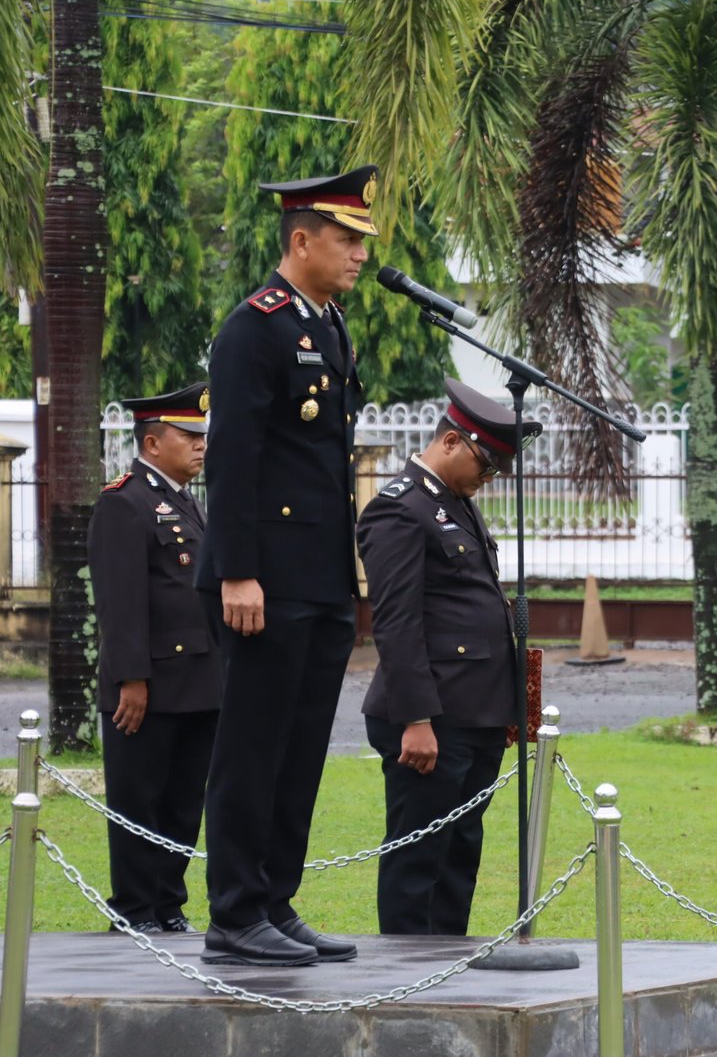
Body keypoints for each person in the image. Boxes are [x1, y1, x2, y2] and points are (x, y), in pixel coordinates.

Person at [195, 165, 378, 967]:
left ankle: (274, 899)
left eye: (362, 242)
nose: (359, 254)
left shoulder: (328, 326)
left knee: (301, 751)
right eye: (346, 239)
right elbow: (232, 459)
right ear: (301, 240)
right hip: (263, 580)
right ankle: (235, 911)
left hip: (320, 577)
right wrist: (238, 571)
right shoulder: (254, 328)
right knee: (253, 747)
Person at [358, 379, 525, 934]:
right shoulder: (400, 509)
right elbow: (397, 623)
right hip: (431, 718)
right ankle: (407, 970)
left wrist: (505, 707)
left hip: (475, 714)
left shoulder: (457, 504)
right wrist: (416, 719)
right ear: (451, 441)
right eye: (485, 463)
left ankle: (450, 963)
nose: (489, 477)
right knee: (418, 856)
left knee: (460, 852)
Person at [88, 383, 220, 935]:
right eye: (188, 436)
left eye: (202, 436)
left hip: (199, 681)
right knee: (139, 800)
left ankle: (168, 903)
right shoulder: (125, 501)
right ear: (152, 442)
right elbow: (120, 602)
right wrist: (131, 680)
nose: (200, 445)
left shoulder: (187, 501)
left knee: (183, 802)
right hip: (149, 684)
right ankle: (135, 908)